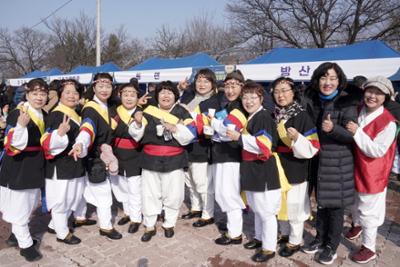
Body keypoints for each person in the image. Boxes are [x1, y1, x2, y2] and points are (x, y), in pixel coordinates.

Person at [301, 62, 358, 265]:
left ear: (340, 81)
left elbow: (352, 136)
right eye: (324, 77)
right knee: (321, 203)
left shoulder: (346, 103)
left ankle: (331, 247)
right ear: (317, 80)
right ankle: (319, 237)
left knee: (335, 208)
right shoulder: (311, 101)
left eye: (333, 78)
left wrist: (333, 129)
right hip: (317, 161)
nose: (328, 82)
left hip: (337, 163)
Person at [128, 81, 196, 242]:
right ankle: (149, 224)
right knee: (149, 194)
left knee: (174, 194)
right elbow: (135, 134)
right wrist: (137, 123)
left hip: (174, 160)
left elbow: (191, 135)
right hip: (150, 160)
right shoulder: (147, 111)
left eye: (170, 92)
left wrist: (175, 129)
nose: (166, 95)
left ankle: (169, 224)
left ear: (175, 96)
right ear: (157, 95)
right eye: (162, 92)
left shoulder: (182, 112)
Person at [226, 81, 280, 263]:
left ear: (261, 99)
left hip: (263, 169)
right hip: (252, 168)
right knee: (257, 208)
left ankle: (269, 247)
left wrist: (239, 137)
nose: (248, 101)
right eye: (245, 97)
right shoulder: (252, 117)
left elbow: (264, 146)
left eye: (253, 97)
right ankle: (259, 238)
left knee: (266, 211)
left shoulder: (263, 117)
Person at [345, 76, 397, 264]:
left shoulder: (388, 122)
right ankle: (356, 225)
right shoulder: (358, 110)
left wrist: (357, 132)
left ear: (386, 97)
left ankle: (369, 247)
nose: (372, 96)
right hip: (354, 165)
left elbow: (378, 150)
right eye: (370, 91)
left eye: (378, 93)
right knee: (354, 201)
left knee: (369, 210)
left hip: (372, 172)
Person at [269, 77, 319, 258]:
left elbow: (314, 147)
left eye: (284, 90)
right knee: (280, 202)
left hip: (296, 165)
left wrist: (298, 138)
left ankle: (295, 240)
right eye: (276, 91)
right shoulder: (272, 114)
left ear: (293, 92)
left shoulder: (302, 115)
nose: (280, 95)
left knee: (295, 206)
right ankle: (284, 234)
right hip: (277, 166)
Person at [69, 73, 122, 240]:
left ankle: (79, 217)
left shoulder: (110, 106)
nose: (105, 89)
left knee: (83, 189)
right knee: (104, 193)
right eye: (101, 86)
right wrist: (80, 143)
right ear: (94, 87)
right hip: (94, 156)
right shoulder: (91, 109)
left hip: (102, 154)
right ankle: (105, 226)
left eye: (108, 86)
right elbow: (87, 128)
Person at [0, 78, 48, 261]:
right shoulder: (17, 113)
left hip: (34, 163)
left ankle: (15, 236)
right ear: (27, 94)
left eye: (43, 94)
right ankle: (26, 246)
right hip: (19, 165)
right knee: (21, 206)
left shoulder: (42, 113)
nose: (39, 97)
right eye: (35, 93)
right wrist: (20, 126)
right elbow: (10, 144)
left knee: (28, 205)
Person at [41, 79, 86, 245]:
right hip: (59, 166)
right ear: (60, 95)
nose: (72, 96)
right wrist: (59, 134)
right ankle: (62, 233)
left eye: (75, 92)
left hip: (73, 164)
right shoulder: (57, 114)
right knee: (61, 200)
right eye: (67, 92)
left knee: (71, 198)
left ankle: (54, 225)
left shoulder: (76, 112)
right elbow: (47, 141)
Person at [208, 70, 248, 245]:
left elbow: (227, 133)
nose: (230, 90)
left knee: (229, 194)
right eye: (227, 86)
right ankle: (233, 229)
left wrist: (212, 122)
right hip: (222, 155)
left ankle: (235, 233)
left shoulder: (239, 107)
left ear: (242, 87)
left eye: (235, 86)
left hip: (231, 156)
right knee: (223, 194)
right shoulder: (228, 106)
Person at [179, 68, 217, 227]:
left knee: (202, 181)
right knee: (190, 180)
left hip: (203, 145)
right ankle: (196, 207)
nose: (202, 84)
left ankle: (208, 214)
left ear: (212, 84)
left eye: (206, 81)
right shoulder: (188, 96)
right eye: (199, 80)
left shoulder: (216, 100)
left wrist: (192, 115)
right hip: (185, 144)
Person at [111, 82, 143, 234]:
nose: (129, 98)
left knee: (134, 188)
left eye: (132, 94)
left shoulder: (142, 112)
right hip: (118, 154)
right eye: (126, 94)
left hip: (135, 155)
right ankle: (128, 212)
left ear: (138, 97)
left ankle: (136, 218)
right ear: (120, 96)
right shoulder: (114, 112)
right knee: (121, 186)